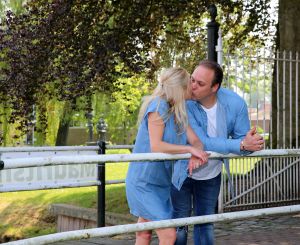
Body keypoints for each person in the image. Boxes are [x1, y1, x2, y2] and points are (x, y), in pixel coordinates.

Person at [171, 60, 264, 245]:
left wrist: (253, 142)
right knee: (179, 225)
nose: (192, 86)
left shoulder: (235, 104)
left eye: (200, 83)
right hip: (181, 170)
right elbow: (202, 142)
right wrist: (242, 145)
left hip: (211, 174)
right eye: (192, 79)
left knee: (205, 225)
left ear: (215, 87)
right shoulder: (185, 100)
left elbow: (244, 145)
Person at [125, 67, 210, 245]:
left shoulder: (178, 112)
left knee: (143, 233)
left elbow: (196, 141)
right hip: (144, 182)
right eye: (190, 84)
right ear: (180, 88)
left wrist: (194, 152)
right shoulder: (158, 106)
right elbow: (157, 146)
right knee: (169, 235)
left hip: (161, 184)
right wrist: (188, 150)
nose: (193, 87)